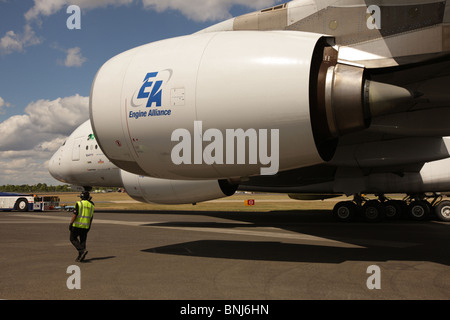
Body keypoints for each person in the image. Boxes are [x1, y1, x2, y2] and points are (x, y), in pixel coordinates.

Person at [69, 191, 95, 262]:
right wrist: (89, 225)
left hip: (77, 225)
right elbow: (91, 217)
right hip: (86, 226)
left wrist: (71, 223)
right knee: (83, 241)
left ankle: (82, 250)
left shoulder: (79, 203)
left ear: (81, 196)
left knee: (72, 238)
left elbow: (75, 214)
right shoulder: (92, 205)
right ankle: (81, 257)